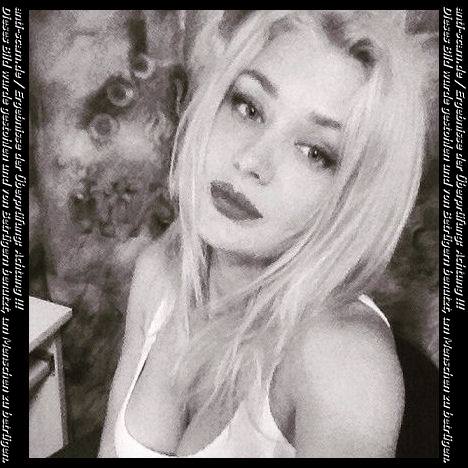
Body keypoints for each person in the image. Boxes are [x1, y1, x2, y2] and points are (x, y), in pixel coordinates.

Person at [98, 10, 437, 458]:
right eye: (249, 108)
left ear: (354, 197)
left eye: (314, 152)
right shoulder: (159, 270)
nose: (251, 160)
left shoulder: (342, 362)